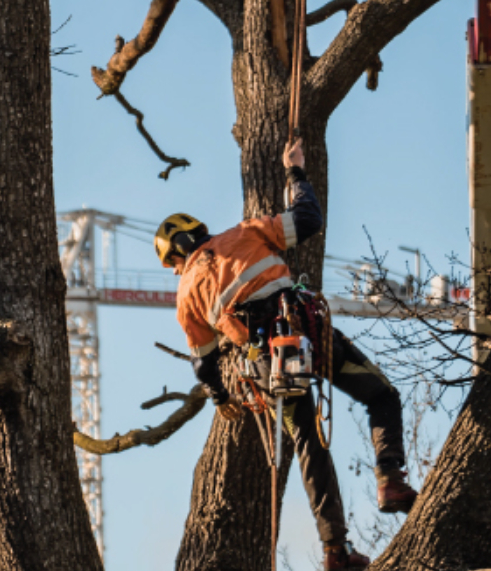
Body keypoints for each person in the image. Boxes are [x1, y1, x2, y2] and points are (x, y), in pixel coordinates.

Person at [155, 139, 417, 570]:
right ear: (199, 232)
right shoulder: (244, 233)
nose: (175, 271)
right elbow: (307, 219)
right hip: (305, 331)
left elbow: (204, 362)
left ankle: (335, 551)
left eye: (172, 263)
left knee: (308, 441)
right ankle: (390, 479)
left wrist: (221, 399)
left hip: (266, 364)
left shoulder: (186, 296)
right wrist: (295, 171)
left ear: (177, 253)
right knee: (381, 395)